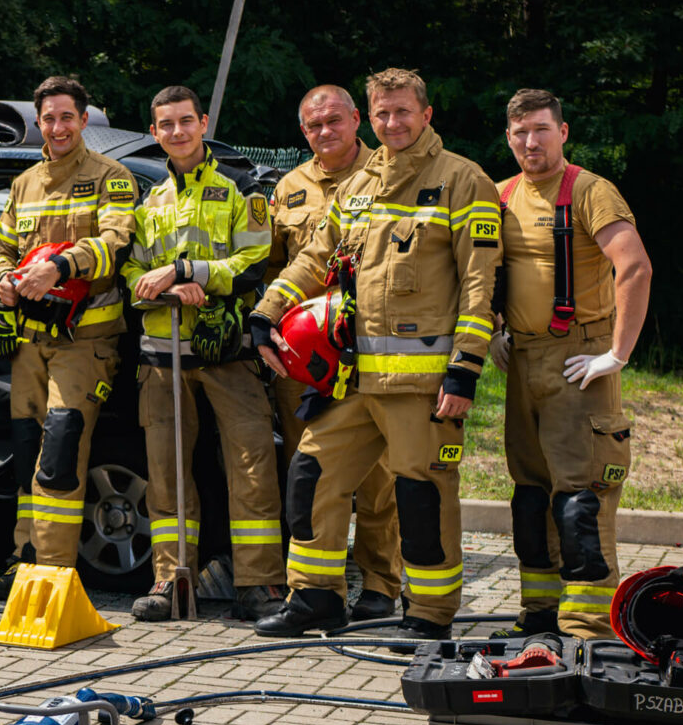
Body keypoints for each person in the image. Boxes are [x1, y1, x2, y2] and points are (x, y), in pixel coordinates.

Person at [250, 68, 501, 642]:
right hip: (350, 379)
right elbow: (315, 257)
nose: (392, 123)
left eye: (402, 112)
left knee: (421, 495)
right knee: (312, 476)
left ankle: (430, 614)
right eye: (383, 113)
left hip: (421, 386)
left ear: (426, 113)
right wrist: (267, 311)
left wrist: (465, 371)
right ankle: (315, 598)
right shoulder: (360, 181)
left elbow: (480, 286)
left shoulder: (463, 181)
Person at [121, 85, 285, 621]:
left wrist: (193, 273)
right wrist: (160, 284)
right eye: (166, 124)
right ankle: (172, 582)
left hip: (228, 354)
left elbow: (255, 259)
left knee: (252, 467)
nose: (177, 132)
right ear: (154, 132)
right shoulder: (147, 198)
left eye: (186, 121)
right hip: (160, 357)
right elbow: (128, 270)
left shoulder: (241, 185)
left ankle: (260, 585)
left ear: (203, 121)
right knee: (166, 476)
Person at [491, 89, 650, 639]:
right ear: (508, 138)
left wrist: (616, 355)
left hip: (579, 360)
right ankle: (540, 617)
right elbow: (483, 272)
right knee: (531, 495)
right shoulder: (501, 194)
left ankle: (589, 628)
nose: (530, 142)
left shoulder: (590, 191)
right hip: (522, 361)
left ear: (563, 132)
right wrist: (494, 332)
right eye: (519, 133)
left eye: (540, 129)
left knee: (581, 498)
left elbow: (634, 268)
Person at [0, 75, 137, 600]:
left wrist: (63, 265)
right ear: (38, 123)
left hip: (85, 342)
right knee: (28, 454)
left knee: (60, 453)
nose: (57, 126)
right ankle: (24, 558)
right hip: (28, 342)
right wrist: (1, 279)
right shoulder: (25, 184)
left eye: (66, 116)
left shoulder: (112, 176)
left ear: (84, 119)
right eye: (48, 118)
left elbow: (116, 242)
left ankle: (50, 576)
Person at [265, 85, 402, 621]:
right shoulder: (289, 187)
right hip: (305, 354)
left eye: (335, 121)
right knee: (313, 471)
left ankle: (379, 584)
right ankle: (320, 589)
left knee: (377, 478)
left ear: (356, 120)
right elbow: (279, 263)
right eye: (314, 125)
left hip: (369, 346)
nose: (326, 132)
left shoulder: (390, 172)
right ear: (303, 132)